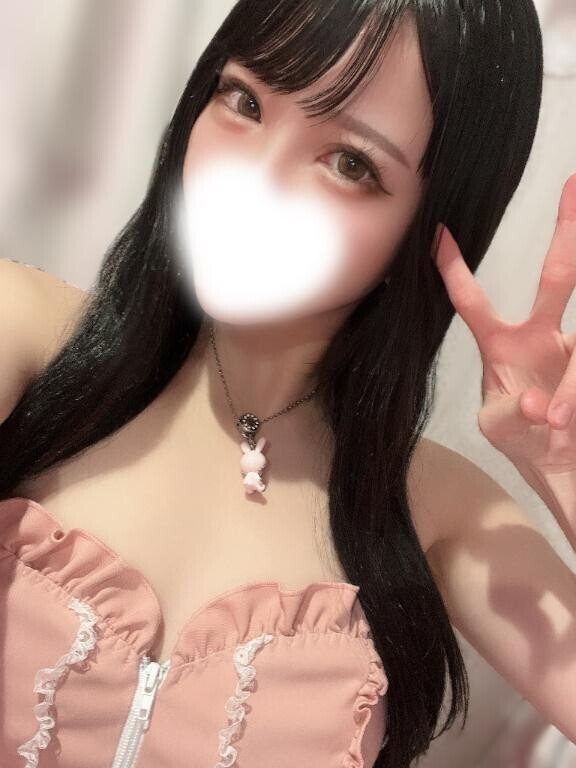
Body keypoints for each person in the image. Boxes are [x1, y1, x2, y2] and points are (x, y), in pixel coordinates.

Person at [4, 1, 570, 767]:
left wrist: (564, 472)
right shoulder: (23, 332)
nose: (255, 183)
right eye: (244, 101)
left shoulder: (440, 509)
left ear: (429, 230)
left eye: (350, 164)